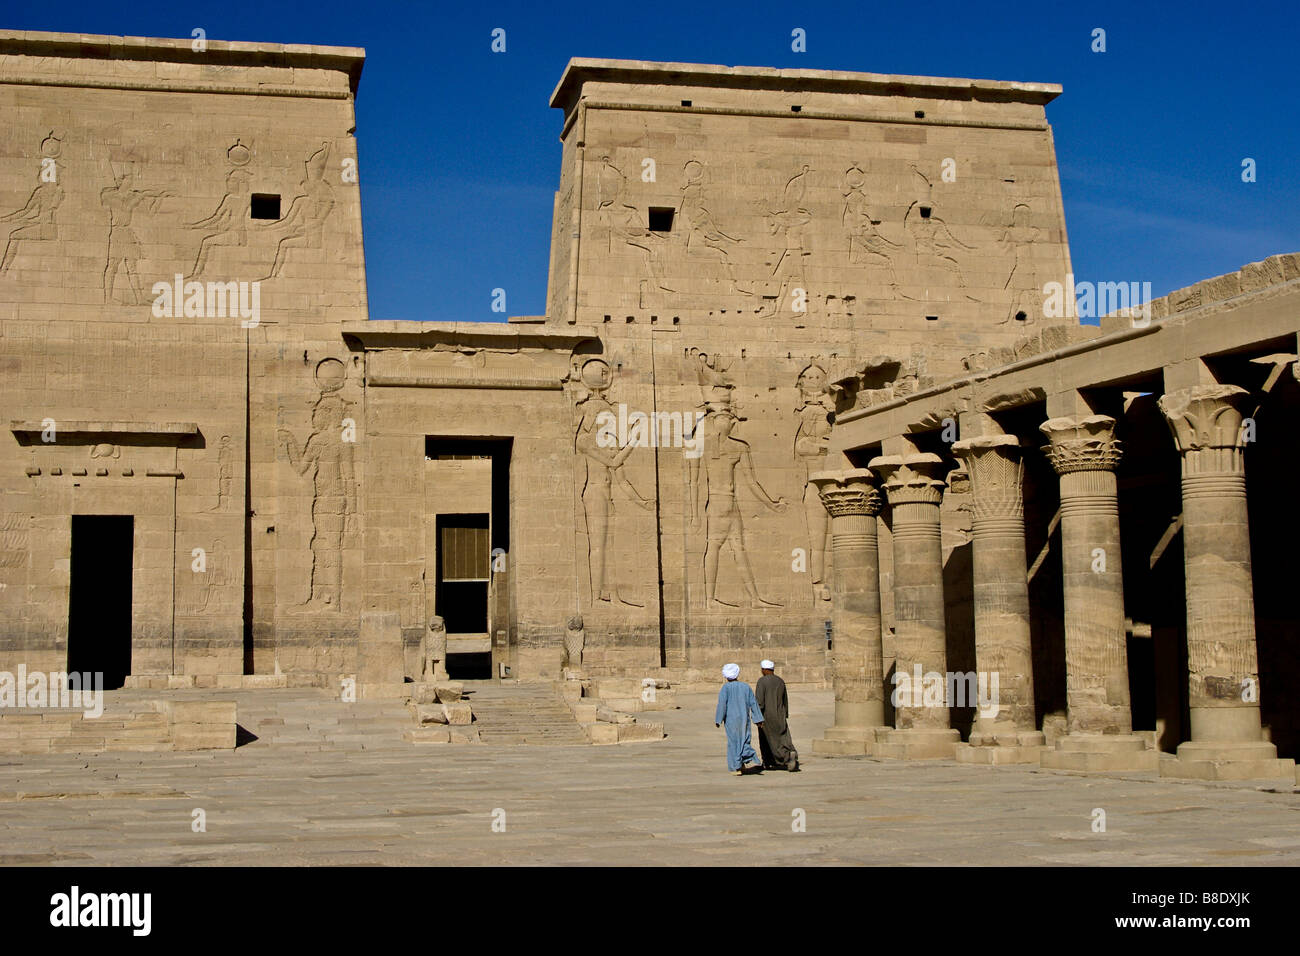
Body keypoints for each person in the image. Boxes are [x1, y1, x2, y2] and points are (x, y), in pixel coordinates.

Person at [714, 662, 764, 775]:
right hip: (744, 719)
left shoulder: (725, 688)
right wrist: (758, 719)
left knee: (733, 742)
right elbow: (753, 703)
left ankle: (735, 767)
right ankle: (742, 763)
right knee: (744, 739)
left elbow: (722, 705)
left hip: (731, 720)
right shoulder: (745, 687)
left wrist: (718, 719)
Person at [755, 660, 799, 771]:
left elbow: (759, 701)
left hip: (767, 716)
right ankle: (779, 757)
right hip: (780, 714)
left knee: (768, 740)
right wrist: (785, 714)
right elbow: (785, 700)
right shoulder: (780, 681)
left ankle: (786, 757)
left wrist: (757, 716)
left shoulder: (762, 681)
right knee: (783, 738)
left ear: (764, 670)